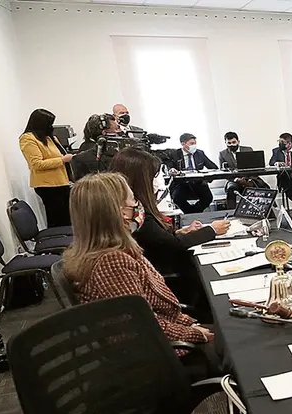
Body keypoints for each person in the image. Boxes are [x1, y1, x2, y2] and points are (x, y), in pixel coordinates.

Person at [63, 173, 221, 382]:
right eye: (132, 200)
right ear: (120, 213)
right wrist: (195, 333)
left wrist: (190, 325)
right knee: (242, 346)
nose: (137, 205)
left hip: (159, 339)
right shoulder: (111, 262)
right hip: (159, 355)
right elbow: (142, 325)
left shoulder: (104, 251)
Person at [110, 148, 228, 309]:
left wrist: (177, 232)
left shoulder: (135, 209)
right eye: (153, 177)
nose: (157, 183)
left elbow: (157, 239)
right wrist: (211, 230)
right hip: (168, 279)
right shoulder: (134, 214)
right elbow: (172, 244)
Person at [19, 108, 73, 227]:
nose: (52, 127)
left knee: (67, 217)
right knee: (57, 219)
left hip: (61, 182)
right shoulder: (28, 139)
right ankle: (59, 242)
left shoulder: (48, 138)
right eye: (49, 124)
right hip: (48, 185)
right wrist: (62, 160)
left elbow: (59, 152)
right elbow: (36, 164)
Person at [168, 133, 217, 214]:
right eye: (191, 144)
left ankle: (193, 213)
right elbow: (169, 168)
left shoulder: (200, 153)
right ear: (183, 144)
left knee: (208, 198)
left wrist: (207, 180)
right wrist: (172, 170)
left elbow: (214, 167)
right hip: (182, 184)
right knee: (177, 197)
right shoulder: (175, 154)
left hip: (198, 182)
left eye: (195, 143)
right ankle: (192, 213)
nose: (194, 145)